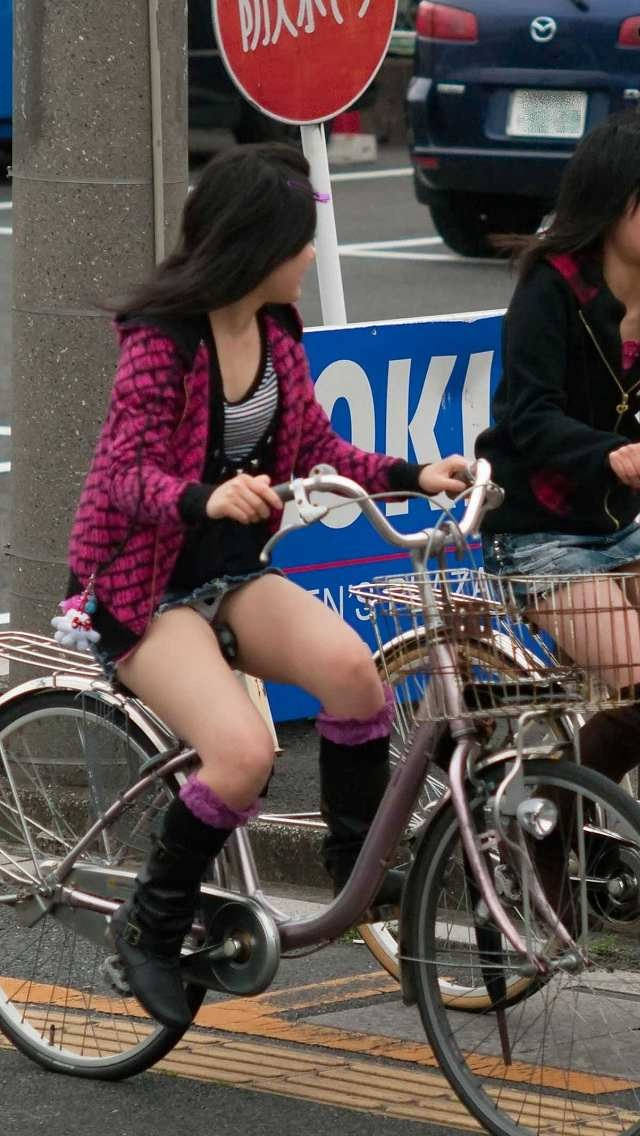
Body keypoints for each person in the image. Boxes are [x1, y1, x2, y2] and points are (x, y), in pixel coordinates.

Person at [58, 142, 468, 1032]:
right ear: (255, 245)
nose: (311, 254)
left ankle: (353, 866)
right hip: (143, 584)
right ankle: (150, 926)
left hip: (230, 569)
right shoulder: (163, 337)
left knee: (355, 675)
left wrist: (413, 474)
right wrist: (203, 496)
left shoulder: (276, 330)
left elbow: (317, 450)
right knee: (244, 756)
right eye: (299, 239)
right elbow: (122, 473)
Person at [475, 110, 640, 867]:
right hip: (541, 533)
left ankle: (575, 832)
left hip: (621, 524)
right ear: (612, 203)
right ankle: (540, 841)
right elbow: (528, 418)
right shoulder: (551, 287)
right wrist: (613, 456)